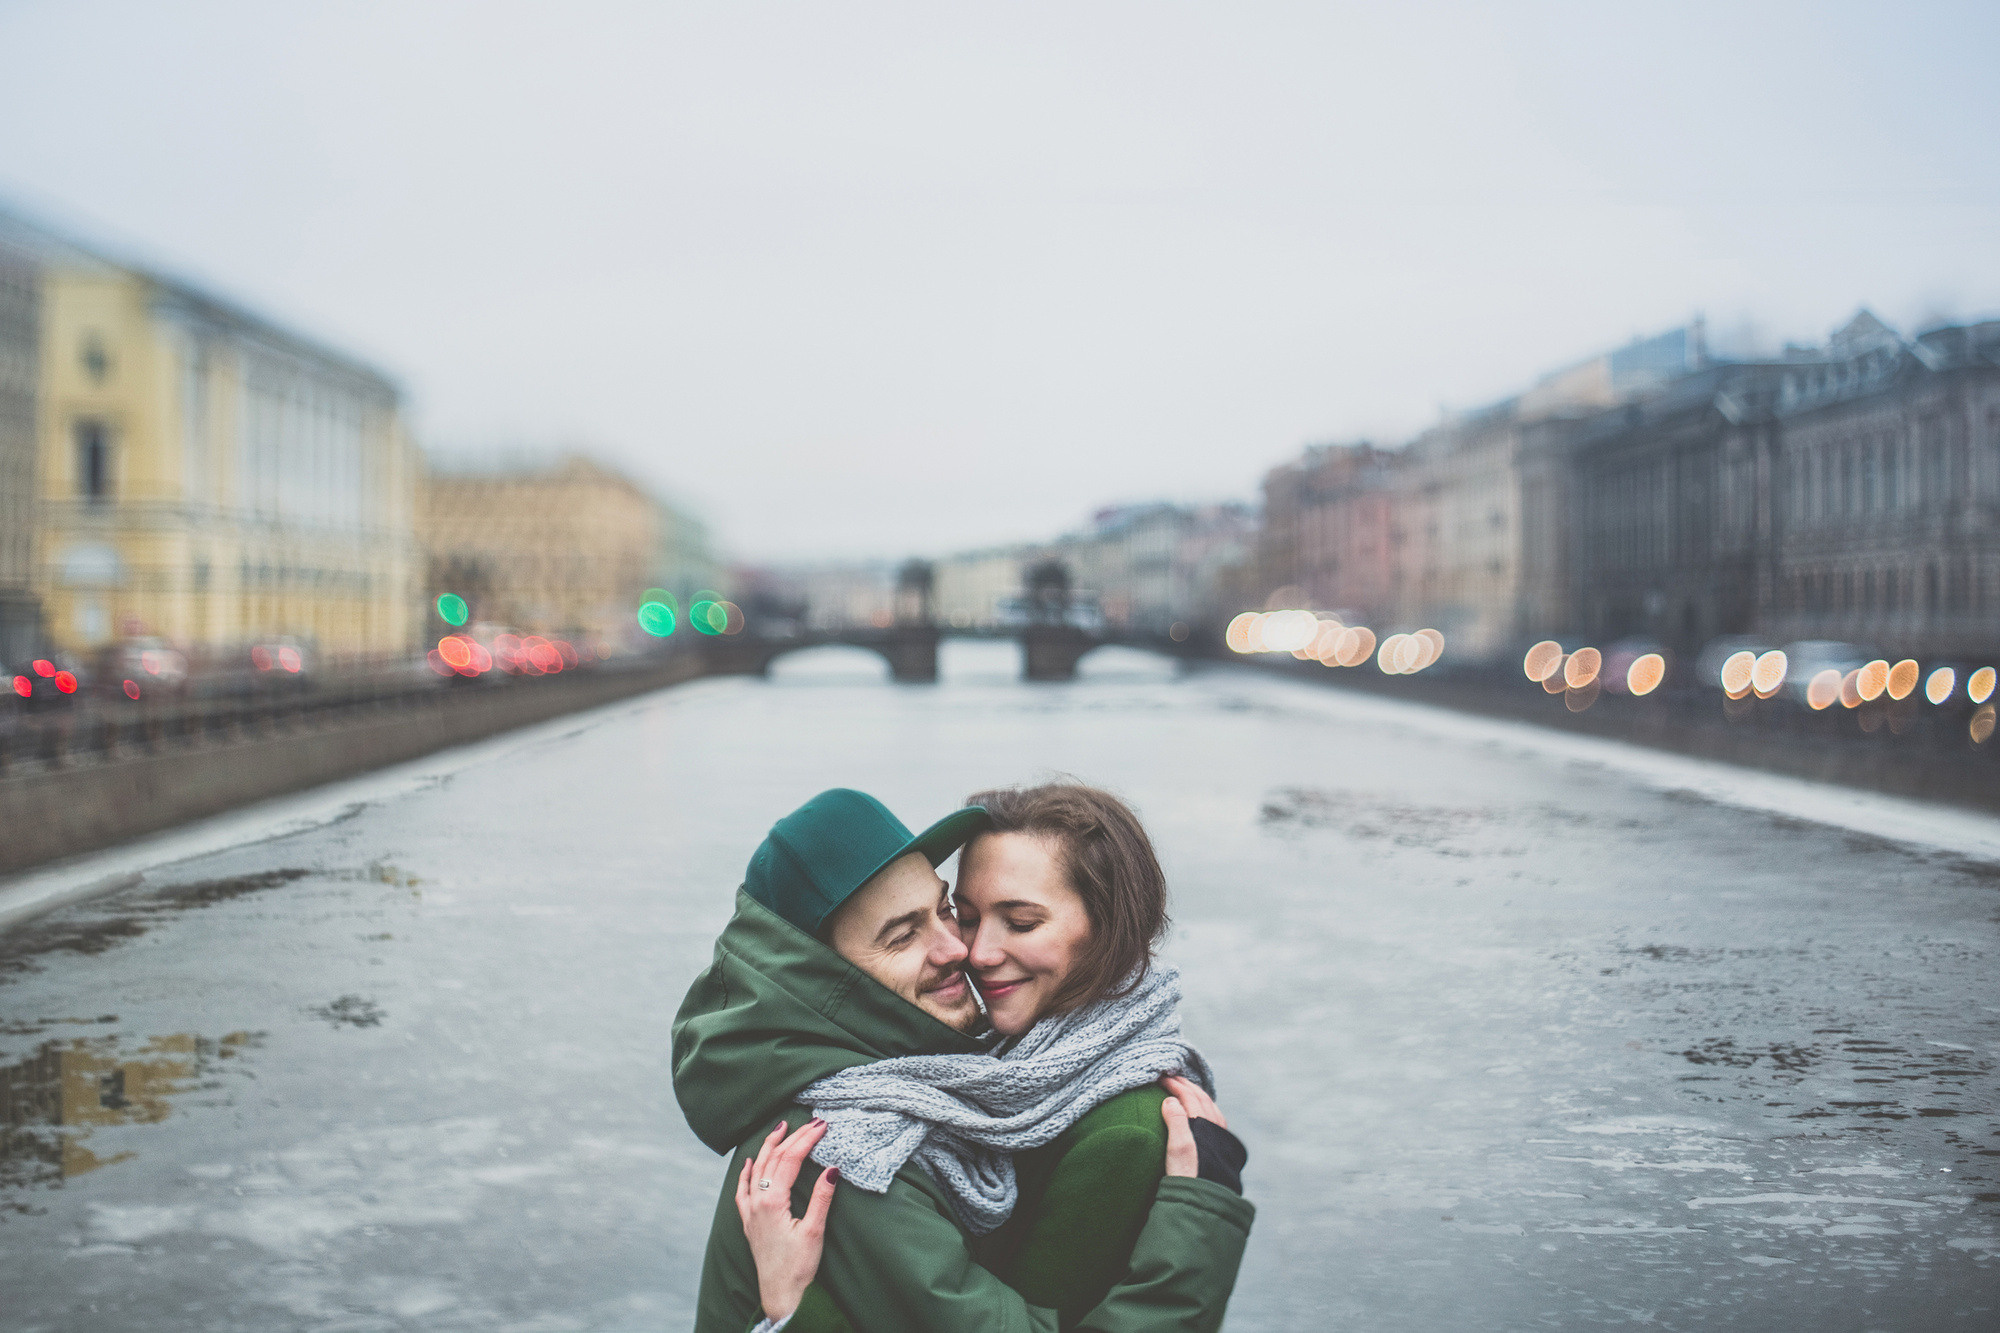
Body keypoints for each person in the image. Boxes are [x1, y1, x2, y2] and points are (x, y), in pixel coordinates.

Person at [675, 787, 1253, 1333]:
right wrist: (1199, 1230)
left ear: (1111, 924)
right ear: (821, 977)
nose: (965, 950)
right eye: (903, 936)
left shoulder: (992, 1095)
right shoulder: (847, 1145)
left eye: (946, 911)